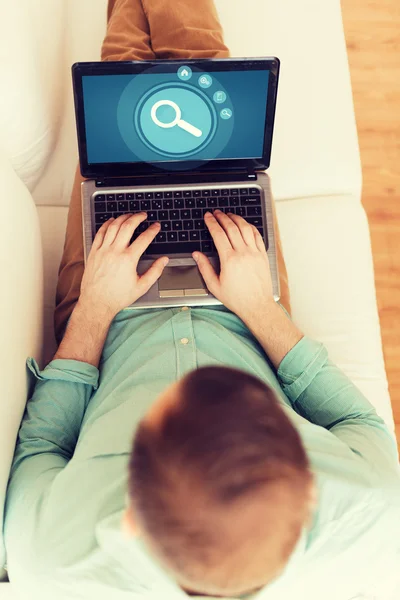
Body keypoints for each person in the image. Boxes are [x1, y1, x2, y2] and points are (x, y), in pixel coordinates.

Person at [4, 1, 400, 599]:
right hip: (247, 306)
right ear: (311, 486)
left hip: (103, 316)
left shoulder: (49, 552)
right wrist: (257, 305)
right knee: (204, 87)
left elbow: (44, 445)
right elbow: (355, 420)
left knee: (124, 89)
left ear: (131, 517)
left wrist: (95, 306)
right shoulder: (372, 509)